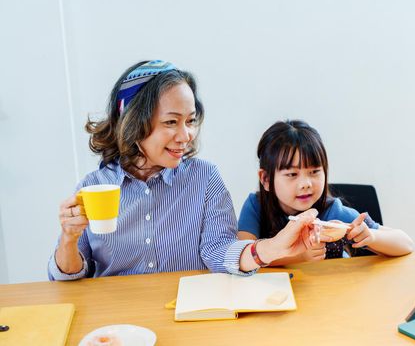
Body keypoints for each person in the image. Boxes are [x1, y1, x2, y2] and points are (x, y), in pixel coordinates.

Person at [48, 60, 321, 280]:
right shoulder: (93, 186)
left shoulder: (205, 178)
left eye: (190, 121)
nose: (186, 134)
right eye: (171, 122)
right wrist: (68, 240)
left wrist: (270, 249)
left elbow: (219, 252)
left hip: (187, 313)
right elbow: (71, 276)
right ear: (132, 123)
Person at [238, 120, 414, 265]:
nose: (306, 184)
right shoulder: (256, 206)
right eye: (292, 174)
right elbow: (241, 254)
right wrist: (298, 257)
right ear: (266, 179)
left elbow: (406, 243)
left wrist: (372, 237)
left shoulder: (332, 212)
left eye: (314, 172)